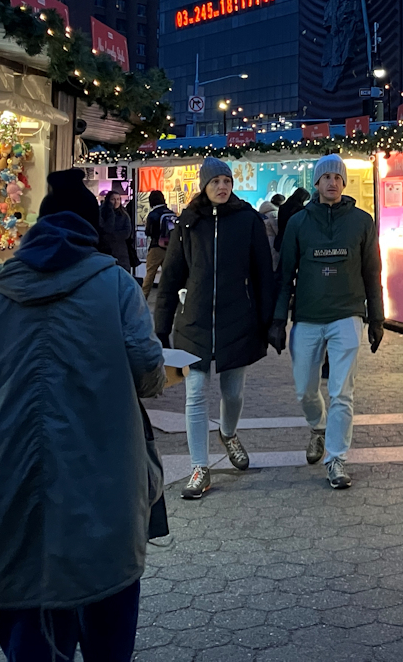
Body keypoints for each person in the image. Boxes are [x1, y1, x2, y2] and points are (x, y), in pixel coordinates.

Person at [0, 168, 164, 662]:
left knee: (29, 625)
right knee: (108, 618)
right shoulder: (113, 286)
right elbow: (149, 370)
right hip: (101, 481)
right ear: (91, 228)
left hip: (6, 479)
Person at [154, 157, 276, 500]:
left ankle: (229, 432)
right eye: (215, 181)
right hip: (193, 322)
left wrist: (269, 322)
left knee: (233, 393)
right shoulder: (188, 223)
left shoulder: (248, 220)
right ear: (204, 186)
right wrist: (161, 326)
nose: (222, 186)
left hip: (237, 320)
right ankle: (199, 467)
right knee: (195, 395)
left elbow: (263, 274)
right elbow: (172, 274)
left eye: (226, 180)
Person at [269, 155, 383, 490]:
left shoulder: (362, 222)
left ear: (344, 183)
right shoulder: (299, 223)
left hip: (347, 315)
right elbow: (285, 272)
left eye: (337, 176)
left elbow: (372, 272)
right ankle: (318, 425)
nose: (332, 182)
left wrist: (376, 317)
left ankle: (336, 459)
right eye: (326, 177)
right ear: (316, 183)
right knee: (305, 387)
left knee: (341, 391)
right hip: (307, 316)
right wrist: (278, 318)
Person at [142, 190, 176, 300]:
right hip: (170, 248)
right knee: (169, 275)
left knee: (150, 274)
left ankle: (143, 298)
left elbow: (149, 232)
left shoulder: (153, 214)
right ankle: (169, 298)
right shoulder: (171, 213)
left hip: (156, 247)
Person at [99, 182, 137, 273]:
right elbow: (103, 229)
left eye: (118, 199)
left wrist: (112, 236)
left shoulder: (124, 215)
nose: (116, 202)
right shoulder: (102, 213)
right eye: (113, 199)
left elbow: (127, 232)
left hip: (121, 252)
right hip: (105, 250)